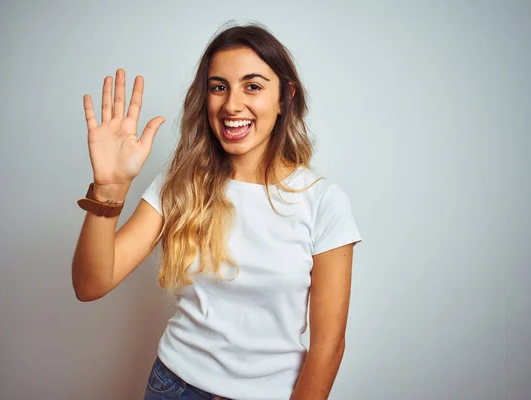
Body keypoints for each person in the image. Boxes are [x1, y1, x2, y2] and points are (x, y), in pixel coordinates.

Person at [73, 23, 362, 400]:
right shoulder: (180, 182)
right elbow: (91, 283)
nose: (231, 105)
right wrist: (109, 191)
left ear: (284, 98)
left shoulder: (323, 202)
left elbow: (328, 347)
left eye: (253, 86)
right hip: (173, 388)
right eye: (219, 86)